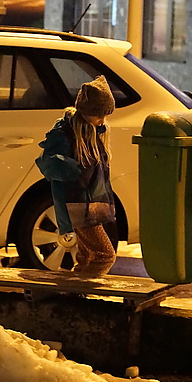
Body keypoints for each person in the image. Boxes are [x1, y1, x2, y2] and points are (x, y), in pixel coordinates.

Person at [36, 74, 117, 278]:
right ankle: (82, 293)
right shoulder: (69, 136)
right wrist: (72, 170)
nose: (102, 121)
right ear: (87, 112)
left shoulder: (92, 133)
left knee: (86, 256)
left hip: (87, 205)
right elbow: (56, 170)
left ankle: (75, 295)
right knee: (105, 255)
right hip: (79, 206)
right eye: (100, 115)